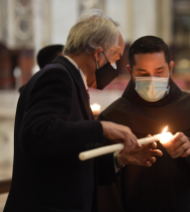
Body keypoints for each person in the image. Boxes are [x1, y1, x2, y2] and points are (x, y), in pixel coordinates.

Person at [4, 9, 162, 212]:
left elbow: (69, 156)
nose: (114, 67)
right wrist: (101, 128)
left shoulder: (70, 79)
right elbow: (36, 134)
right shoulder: (57, 77)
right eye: (114, 58)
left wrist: (119, 159)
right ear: (98, 54)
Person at [99, 36, 190, 212]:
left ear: (171, 68)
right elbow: (99, 171)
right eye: (143, 74)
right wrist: (119, 158)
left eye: (159, 72)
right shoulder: (113, 116)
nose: (152, 80)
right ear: (130, 71)